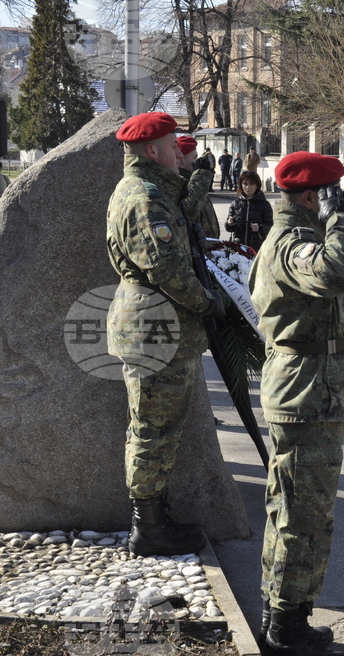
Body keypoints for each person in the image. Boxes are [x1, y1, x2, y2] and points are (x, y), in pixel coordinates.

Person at [248, 151, 344, 656]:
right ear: (313, 197)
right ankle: (286, 633)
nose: (333, 202)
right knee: (300, 513)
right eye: (329, 194)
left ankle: (285, 618)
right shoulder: (292, 244)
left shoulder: (300, 240)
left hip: (314, 392)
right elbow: (338, 273)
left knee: (300, 509)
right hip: (304, 395)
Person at [106, 112, 224, 558]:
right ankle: (149, 528)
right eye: (173, 146)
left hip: (155, 324)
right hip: (156, 327)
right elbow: (168, 268)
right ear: (151, 151)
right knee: (154, 430)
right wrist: (208, 302)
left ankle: (154, 516)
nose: (180, 152)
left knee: (156, 427)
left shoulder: (148, 191)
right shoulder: (145, 198)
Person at [175, 136, 220, 238]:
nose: (197, 162)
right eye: (194, 158)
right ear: (180, 161)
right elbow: (191, 209)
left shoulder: (193, 178)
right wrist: (201, 174)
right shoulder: (179, 183)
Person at [226, 170, 274, 250]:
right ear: (241, 185)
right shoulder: (235, 203)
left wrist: (260, 227)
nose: (248, 187)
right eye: (245, 184)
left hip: (257, 246)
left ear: (257, 186)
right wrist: (230, 223)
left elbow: (270, 226)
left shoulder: (264, 204)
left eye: (252, 184)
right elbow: (229, 227)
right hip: (238, 246)